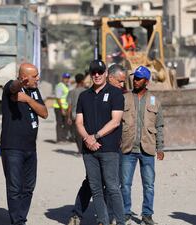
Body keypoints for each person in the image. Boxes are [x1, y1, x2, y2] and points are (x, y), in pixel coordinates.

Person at [67, 64, 126, 225]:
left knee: (113, 187)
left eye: (100, 72)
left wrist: (96, 136)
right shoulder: (84, 96)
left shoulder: (116, 94)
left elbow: (115, 122)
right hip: (89, 151)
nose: (97, 75)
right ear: (90, 74)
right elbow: (79, 122)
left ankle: (121, 221)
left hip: (109, 149)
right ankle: (103, 221)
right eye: (94, 72)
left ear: (106, 73)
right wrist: (87, 138)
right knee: (96, 189)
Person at [1, 63, 48, 225]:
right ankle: (17, 221)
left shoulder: (33, 91)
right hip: (13, 148)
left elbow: (44, 113)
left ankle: (21, 218)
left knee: (28, 187)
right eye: (34, 76)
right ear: (24, 77)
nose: (38, 78)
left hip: (30, 148)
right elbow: (13, 88)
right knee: (14, 188)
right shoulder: (10, 87)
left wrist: (28, 99)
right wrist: (19, 84)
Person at [121, 66, 164, 225]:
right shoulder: (125, 98)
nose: (135, 80)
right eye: (134, 78)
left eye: (138, 78)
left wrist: (160, 148)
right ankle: (125, 213)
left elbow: (159, 126)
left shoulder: (155, 101)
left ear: (146, 81)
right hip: (127, 149)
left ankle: (147, 215)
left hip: (148, 149)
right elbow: (117, 123)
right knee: (124, 184)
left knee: (149, 185)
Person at [67, 73, 87, 153]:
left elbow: (70, 106)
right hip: (86, 115)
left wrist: (68, 117)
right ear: (82, 80)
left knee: (77, 134)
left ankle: (80, 150)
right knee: (85, 132)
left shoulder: (72, 92)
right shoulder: (87, 91)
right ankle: (84, 149)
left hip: (75, 115)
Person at [53, 72, 71, 143]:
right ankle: (59, 139)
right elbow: (58, 98)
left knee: (66, 123)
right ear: (62, 78)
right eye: (65, 78)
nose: (67, 79)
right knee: (60, 123)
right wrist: (62, 108)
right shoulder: (60, 86)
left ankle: (64, 138)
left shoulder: (66, 86)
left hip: (66, 107)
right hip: (59, 107)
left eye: (68, 78)